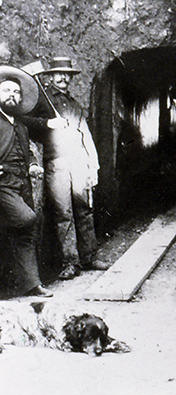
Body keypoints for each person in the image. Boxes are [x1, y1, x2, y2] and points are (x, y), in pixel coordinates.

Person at [21, 57, 108, 280]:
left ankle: (89, 257)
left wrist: (92, 165)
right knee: (63, 212)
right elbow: (24, 122)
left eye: (67, 74)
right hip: (57, 162)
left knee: (84, 208)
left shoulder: (75, 104)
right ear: (50, 76)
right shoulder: (42, 100)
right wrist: (48, 124)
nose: (63, 78)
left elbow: (85, 135)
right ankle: (71, 262)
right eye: (58, 74)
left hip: (78, 161)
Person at [0, 66, 52, 297]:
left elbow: (27, 150)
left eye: (15, 92)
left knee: (26, 233)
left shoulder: (20, 124)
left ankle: (31, 284)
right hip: (2, 185)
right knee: (27, 219)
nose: (11, 95)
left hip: (22, 185)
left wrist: (32, 164)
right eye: (6, 90)